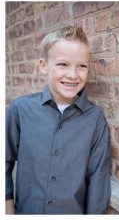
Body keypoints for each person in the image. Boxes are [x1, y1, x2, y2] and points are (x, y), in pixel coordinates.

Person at [5, 25, 111, 214]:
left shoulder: (95, 119)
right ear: (43, 66)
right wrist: (7, 207)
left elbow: (98, 180)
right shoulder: (20, 110)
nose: (72, 74)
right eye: (63, 64)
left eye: (82, 66)